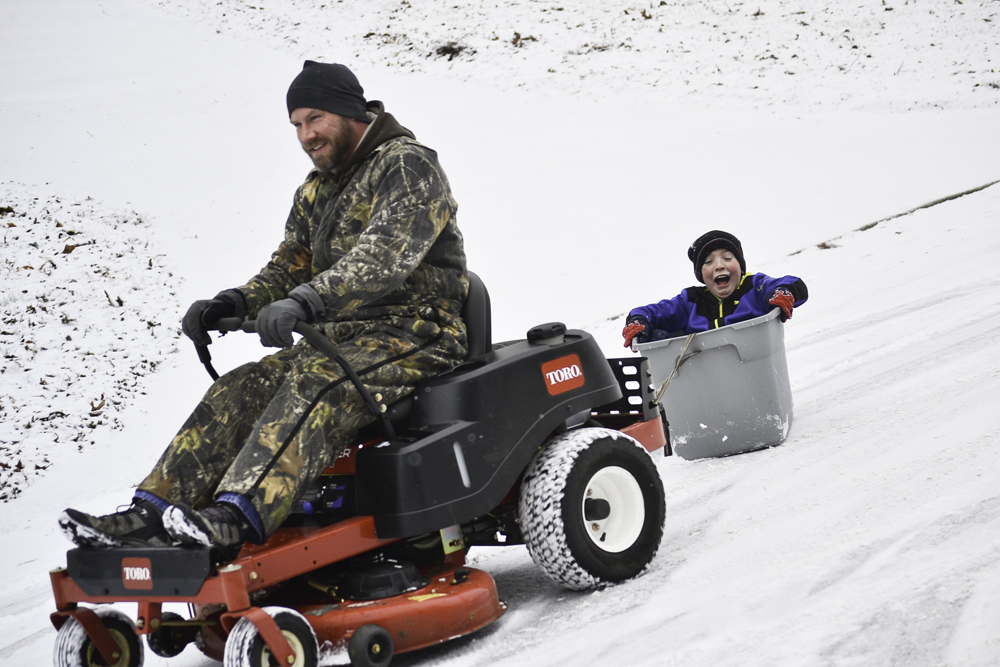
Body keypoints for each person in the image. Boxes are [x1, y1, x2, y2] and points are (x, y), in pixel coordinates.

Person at [59, 61, 469, 555]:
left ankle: (234, 516)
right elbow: (289, 267)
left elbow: (385, 256)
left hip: (418, 332)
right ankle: (147, 515)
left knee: (319, 384)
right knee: (238, 389)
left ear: (349, 111)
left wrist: (308, 300)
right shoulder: (318, 188)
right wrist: (235, 301)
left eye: (314, 118)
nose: (306, 135)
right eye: (296, 124)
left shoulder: (406, 165)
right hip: (341, 340)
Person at [622, 230, 807, 347]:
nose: (719, 266)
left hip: (754, 372)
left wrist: (783, 292)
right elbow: (650, 312)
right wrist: (639, 321)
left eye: (727, 258)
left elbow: (792, 283)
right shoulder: (691, 301)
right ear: (701, 275)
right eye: (709, 262)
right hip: (705, 382)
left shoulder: (754, 287)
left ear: (741, 268)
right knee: (657, 337)